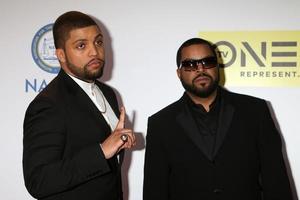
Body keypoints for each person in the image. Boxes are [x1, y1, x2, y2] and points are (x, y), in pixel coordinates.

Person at [143, 38, 293, 200]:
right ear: (179, 73)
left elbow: (276, 180)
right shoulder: (161, 124)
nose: (200, 69)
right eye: (190, 64)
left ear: (217, 66)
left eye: (207, 62)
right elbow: (155, 190)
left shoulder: (255, 111)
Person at [23, 11, 135, 200]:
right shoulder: (48, 104)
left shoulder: (108, 93)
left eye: (98, 42)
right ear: (61, 55)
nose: (94, 51)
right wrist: (101, 151)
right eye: (81, 45)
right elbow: (38, 180)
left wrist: (118, 143)